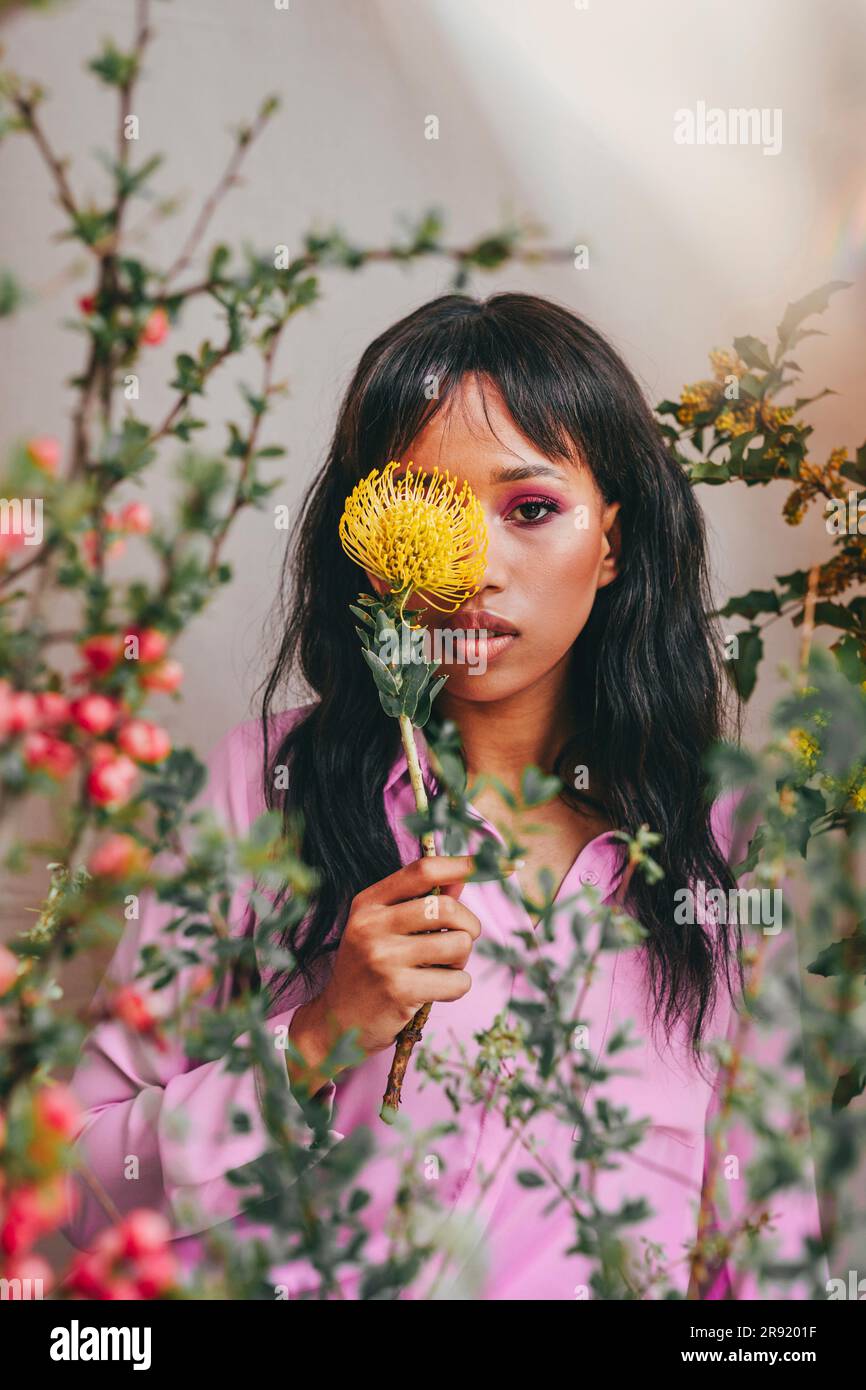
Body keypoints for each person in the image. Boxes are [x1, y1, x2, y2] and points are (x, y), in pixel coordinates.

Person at [62, 292, 826, 1299]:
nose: (470, 568)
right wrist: (317, 1036)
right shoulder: (258, 792)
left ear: (610, 540)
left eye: (529, 508)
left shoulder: (720, 847)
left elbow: (769, 1249)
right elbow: (73, 1178)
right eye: (425, 509)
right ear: (365, 541)